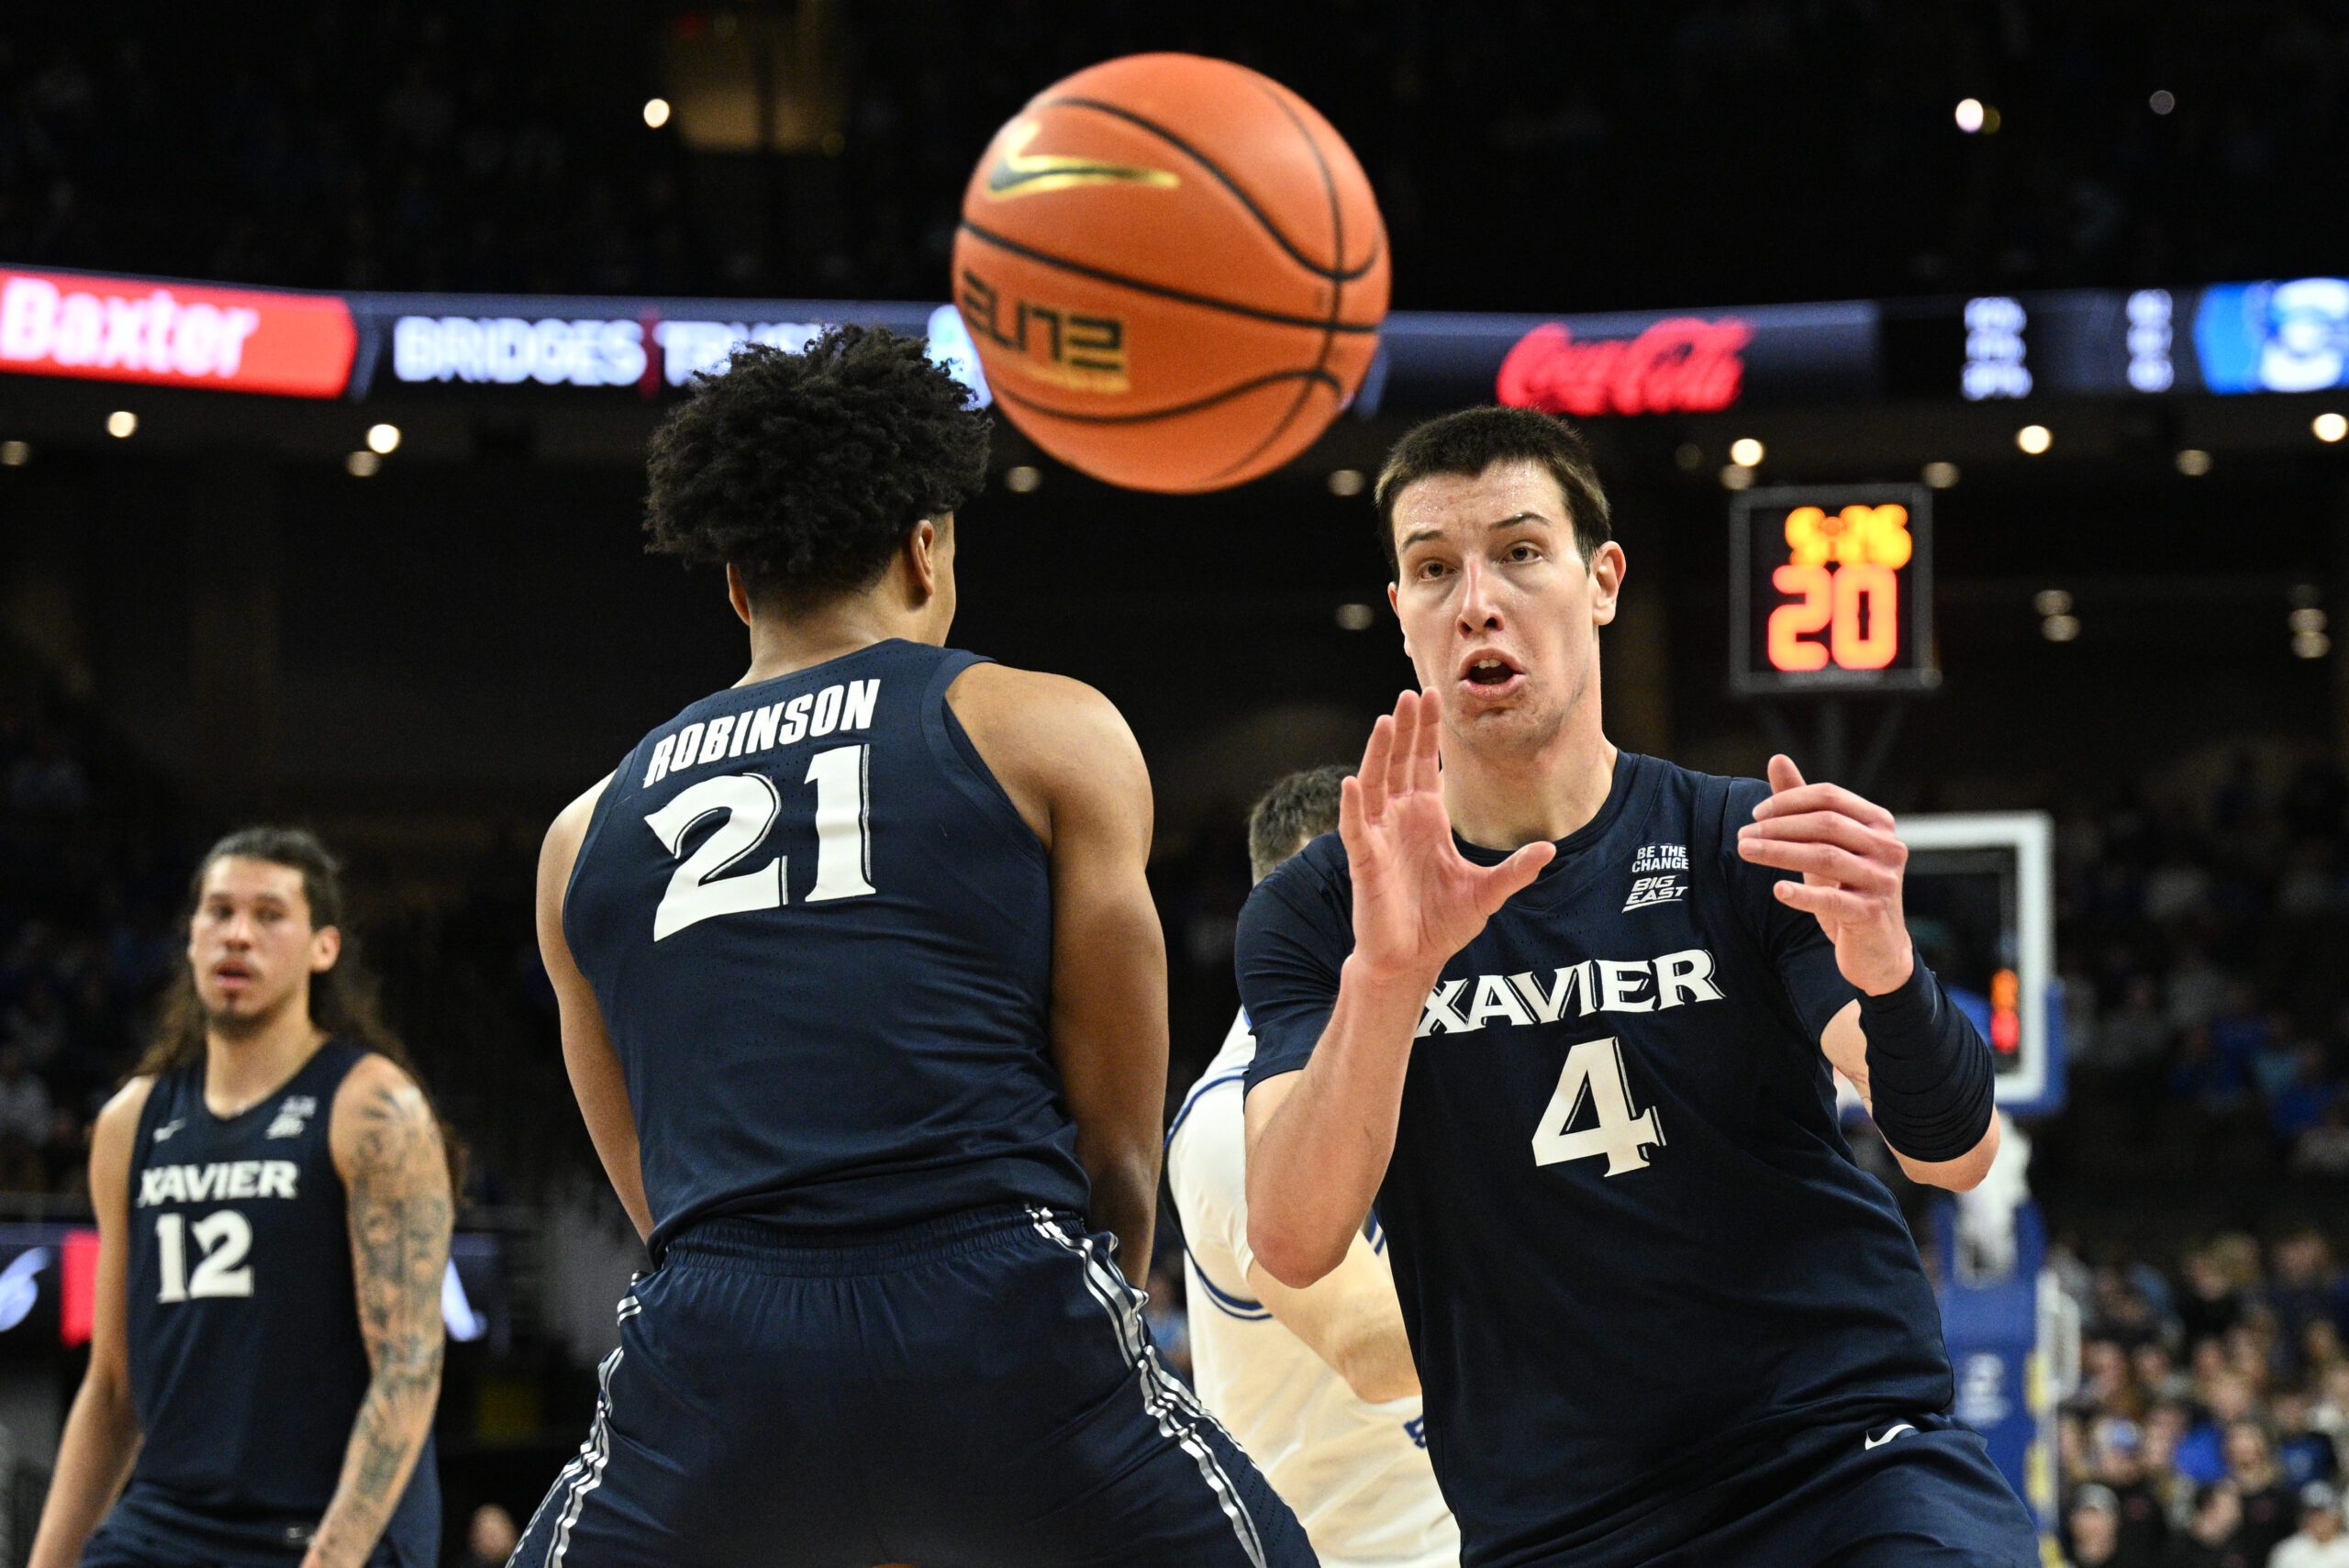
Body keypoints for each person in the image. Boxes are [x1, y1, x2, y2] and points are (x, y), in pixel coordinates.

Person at [517, 327, 1312, 1566]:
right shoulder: (1045, 729)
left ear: (734, 583)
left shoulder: (581, 833)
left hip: (723, 1328)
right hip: (995, 1296)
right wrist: (1057, 1364)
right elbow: (1118, 1134)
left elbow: (656, 1192)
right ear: (923, 546)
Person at [1236, 406, 2035, 1567]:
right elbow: (1294, 1236)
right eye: (1432, 569)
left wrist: (1890, 968)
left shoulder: (1735, 843)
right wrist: (1391, 978)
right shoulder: (1321, 911)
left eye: (1518, 551)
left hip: (1838, 1464)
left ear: (1602, 579)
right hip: (1562, 1522)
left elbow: (1953, 1152)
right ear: (1402, 611)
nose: (1476, 601)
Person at [28, 828, 448, 1568]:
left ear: (324, 947)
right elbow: (113, 1384)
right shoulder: (133, 1120)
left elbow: (408, 1363)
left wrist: (334, 1555)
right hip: (165, 1521)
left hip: (327, 1522)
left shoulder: (372, 1107)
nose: (238, 933)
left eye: (268, 913)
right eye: (218, 912)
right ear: (189, 939)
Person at [1169, 765, 1460, 1568]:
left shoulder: (1432, 1047)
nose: (1376, 920)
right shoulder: (1232, 1119)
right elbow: (1370, 1345)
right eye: (1342, 895)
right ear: (1272, 916)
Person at [2270, 1482, 2349, 1568]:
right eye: (2313, 1514)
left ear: (2337, 1517)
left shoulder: (2346, 1548)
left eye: (2324, 1514)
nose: (2319, 1520)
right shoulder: (2287, 1551)